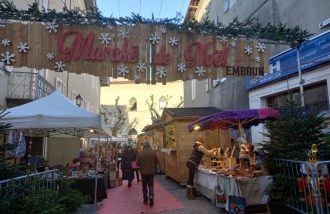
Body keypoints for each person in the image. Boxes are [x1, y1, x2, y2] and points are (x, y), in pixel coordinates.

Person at [137, 141, 158, 207]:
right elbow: (157, 161)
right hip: (151, 172)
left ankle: (145, 199)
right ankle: (151, 196)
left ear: (144, 146)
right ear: (149, 145)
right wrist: (154, 167)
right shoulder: (153, 152)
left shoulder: (140, 153)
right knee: (151, 185)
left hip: (143, 173)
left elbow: (137, 163)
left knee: (144, 187)